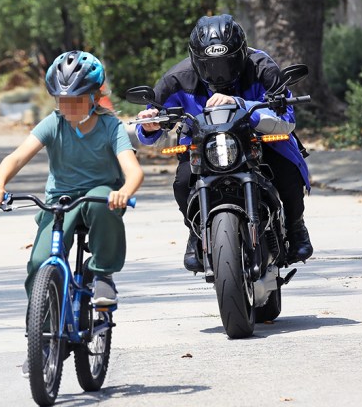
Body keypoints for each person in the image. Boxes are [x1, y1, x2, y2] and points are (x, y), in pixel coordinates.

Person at [134, 14, 313, 272]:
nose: (219, 73)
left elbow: (286, 118)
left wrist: (242, 104)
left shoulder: (262, 66)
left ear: (241, 54)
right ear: (195, 59)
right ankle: (196, 232)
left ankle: (296, 226)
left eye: (227, 63)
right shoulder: (176, 78)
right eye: (209, 65)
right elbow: (152, 124)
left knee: (287, 171)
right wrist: (150, 124)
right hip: (201, 146)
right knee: (183, 183)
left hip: (259, 142)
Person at [0, 50, 144, 307]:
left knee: (101, 202)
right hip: (62, 201)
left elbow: (134, 171)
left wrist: (125, 191)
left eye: (77, 100)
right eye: (62, 100)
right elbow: (15, 158)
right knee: (39, 263)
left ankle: (102, 273)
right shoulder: (53, 123)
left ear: (94, 97)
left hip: (100, 195)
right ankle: (44, 330)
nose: (68, 107)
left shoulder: (111, 127)